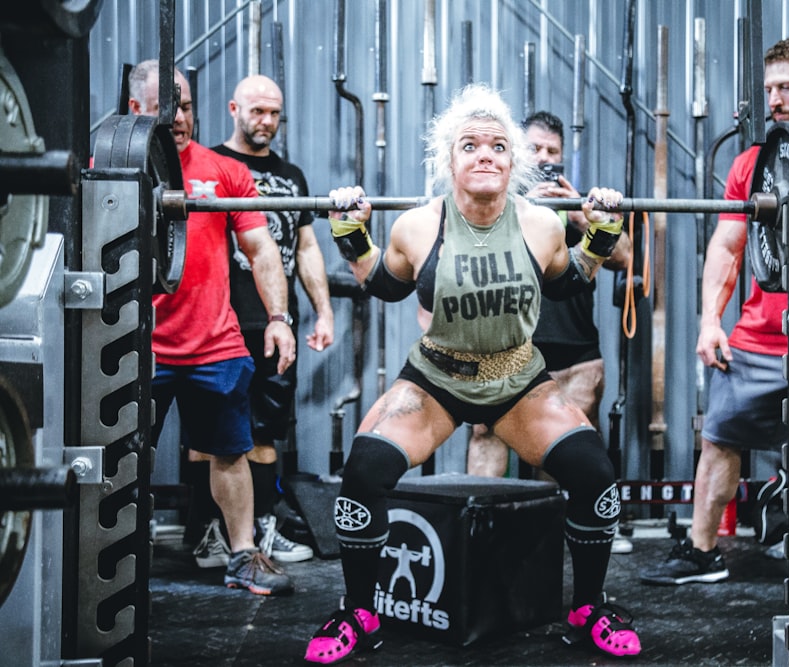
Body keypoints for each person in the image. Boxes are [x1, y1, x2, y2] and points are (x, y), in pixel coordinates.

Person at [303, 83, 641, 663]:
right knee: (363, 469)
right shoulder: (417, 225)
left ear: (514, 161)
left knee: (593, 473)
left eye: (498, 146)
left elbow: (570, 281)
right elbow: (383, 284)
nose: (485, 154)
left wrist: (604, 229)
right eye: (470, 145)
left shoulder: (543, 225)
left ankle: (588, 606)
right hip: (437, 378)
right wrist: (348, 228)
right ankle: (359, 611)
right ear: (449, 160)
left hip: (516, 380)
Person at [639, 37, 789, 586]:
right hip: (760, 335)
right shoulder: (753, 162)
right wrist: (711, 320)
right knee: (720, 439)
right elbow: (729, 247)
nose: (774, 99)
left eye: (788, 87)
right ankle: (703, 552)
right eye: (769, 88)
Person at [128, 60, 295, 595]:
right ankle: (113, 557)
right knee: (122, 454)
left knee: (230, 453)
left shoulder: (223, 171)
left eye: (185, 107)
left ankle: (243, 555)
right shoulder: (110, 167)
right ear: (136, 110)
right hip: (137, 345)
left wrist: (278, 318)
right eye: (164, 107)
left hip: (214, 343)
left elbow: (261, 247)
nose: (178, 118)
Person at [465, 110, 635, 553]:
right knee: (485, 433)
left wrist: (580, 216)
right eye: (535, 149)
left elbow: (625, 256)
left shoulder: (584, 203)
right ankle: (476, 537)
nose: (544, 159)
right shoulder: (495, 199)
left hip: (574, 349)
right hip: (504, 342)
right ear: (520, 154)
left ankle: (568, 535)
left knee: (566, 443)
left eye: (552, 151)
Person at [184, 74, 333, 565]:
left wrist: (322, 310)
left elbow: (305, 248)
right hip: (217, 320)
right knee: (208, 435)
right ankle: (209, 533)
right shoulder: (208, 166)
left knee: (266, 431)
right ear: (233, 108)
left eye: (274, 113)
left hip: (274, 320)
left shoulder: (292, 176)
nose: (266, 121)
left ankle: (261, 528)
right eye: (257, 111)